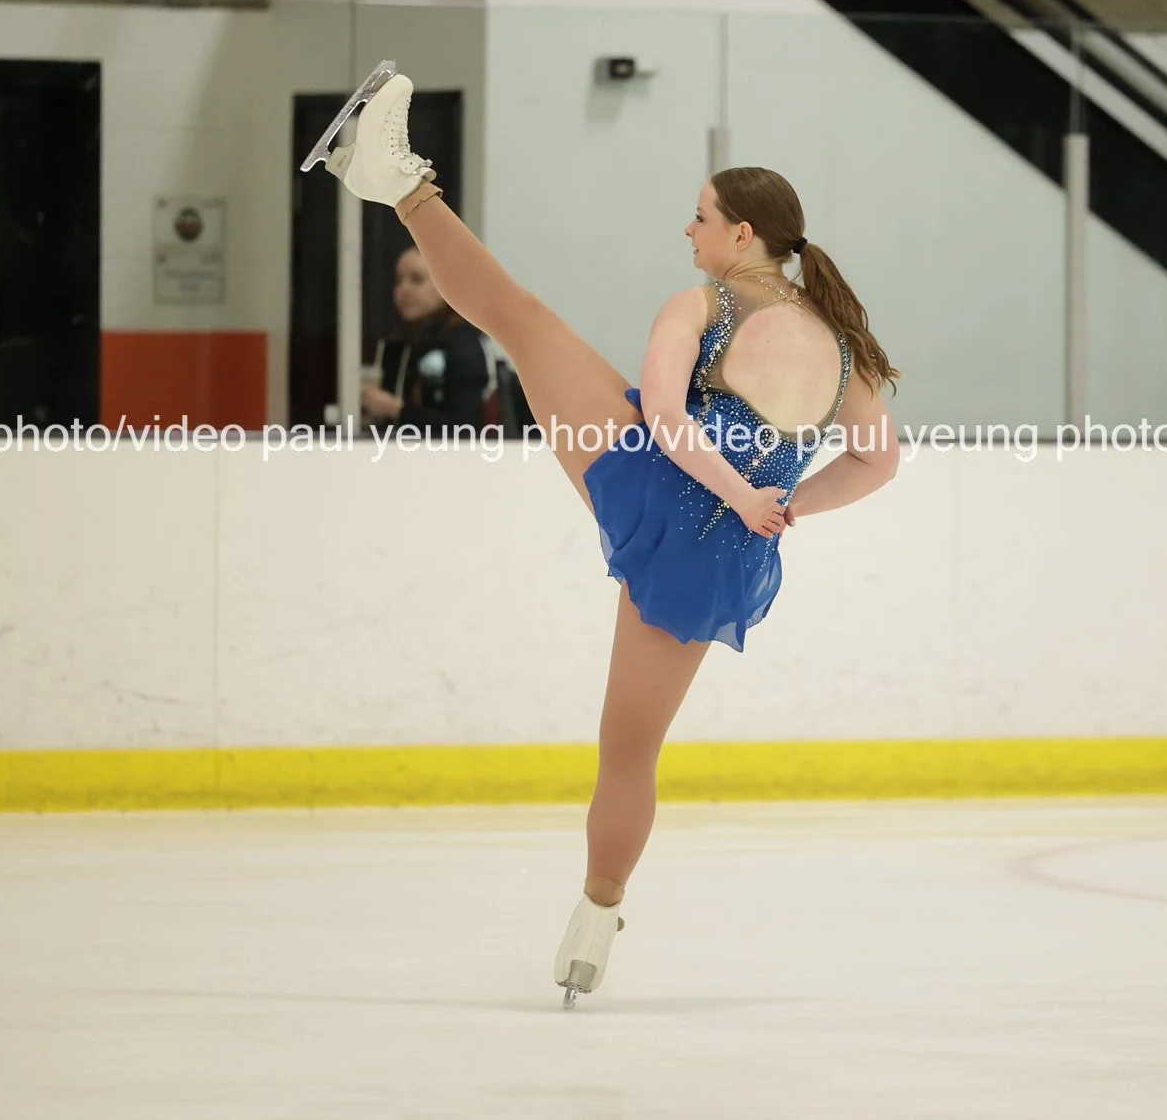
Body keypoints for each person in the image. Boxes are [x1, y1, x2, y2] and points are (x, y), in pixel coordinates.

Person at [314, 70, 900, 1007]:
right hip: (726, 555)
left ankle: (398, 182)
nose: (688, 229)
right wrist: (778, 507)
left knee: (519, 318)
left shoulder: (704, 306)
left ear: (743, 235)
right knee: (630, 751)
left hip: (661, 487)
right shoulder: (845, 348)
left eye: (701, 216)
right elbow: (877, 462)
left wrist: (740, 491)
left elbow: (664, 416)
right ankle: (595, 917)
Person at [361, 246, 491, 437]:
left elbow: (463, 428)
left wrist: (396, 410)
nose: (404, 289)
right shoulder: (396, 344)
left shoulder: (462, 344)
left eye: (417, 279)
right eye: (398, 281)